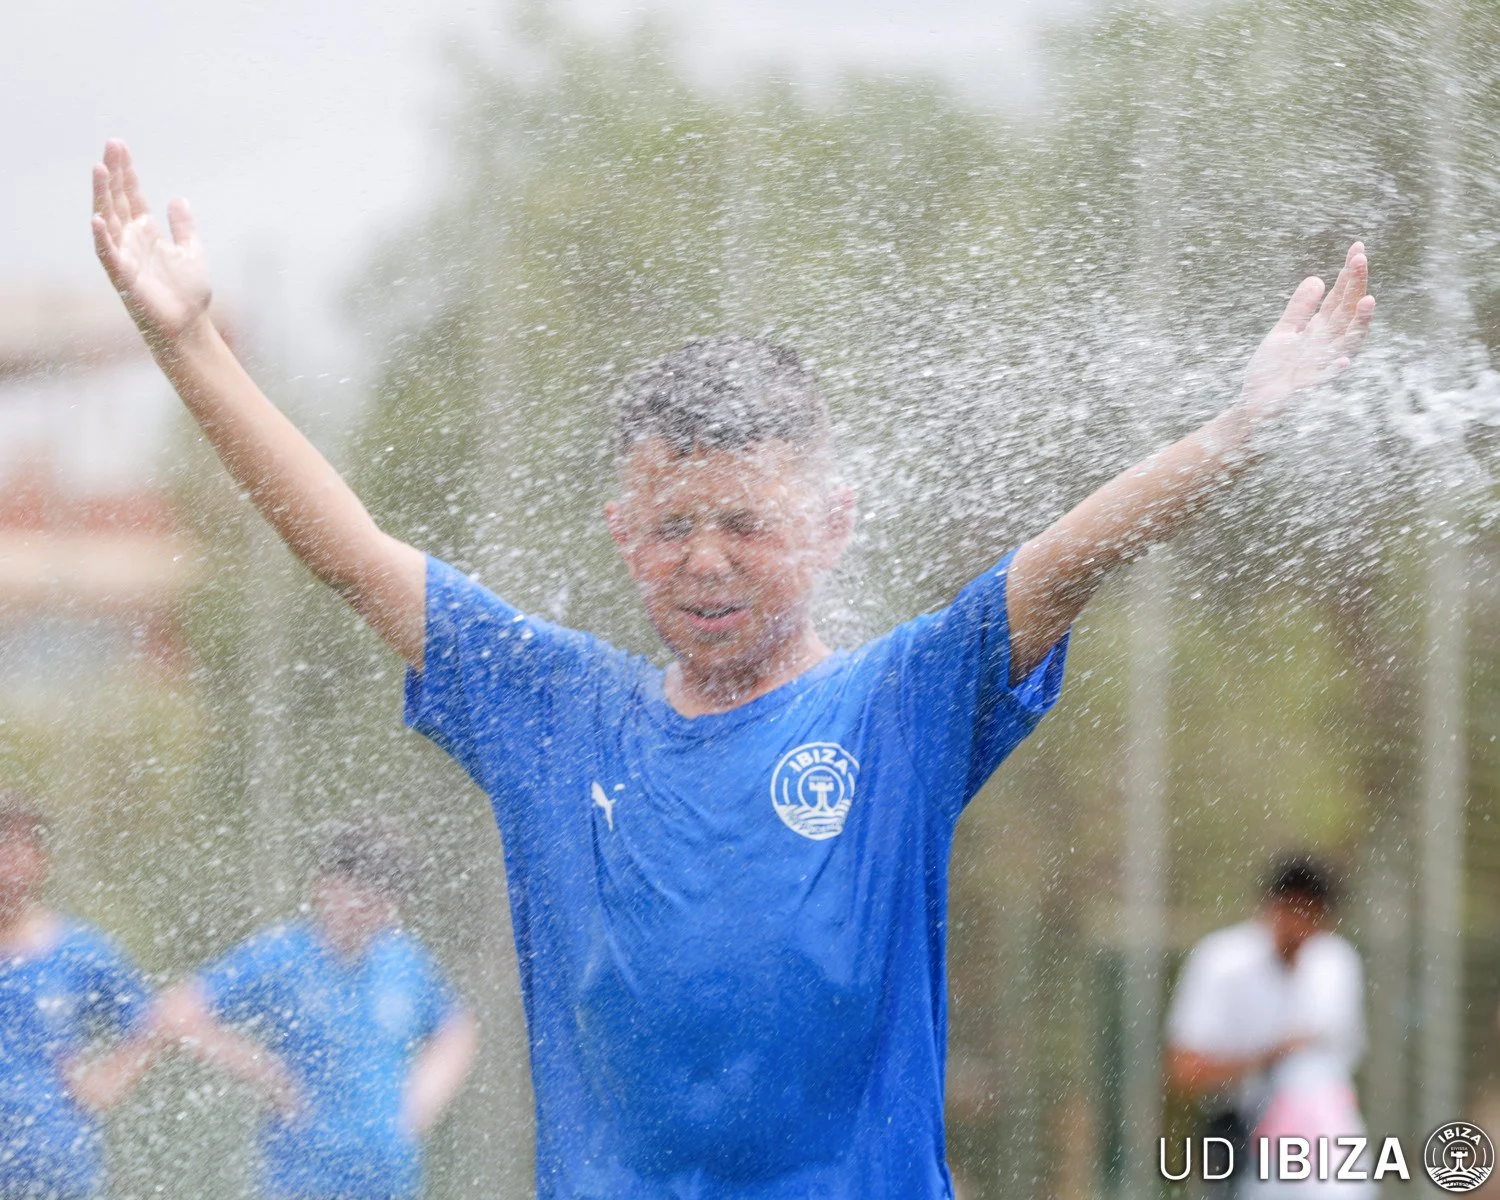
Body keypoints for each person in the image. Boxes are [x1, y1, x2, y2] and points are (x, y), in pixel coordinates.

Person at [91, 139, 1376, 1197]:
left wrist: (1239, 428)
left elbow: (1061, 563)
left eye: (747, 524)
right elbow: (353, 553)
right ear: (621, 532)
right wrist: (190, 346)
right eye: (671, 526)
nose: (705, 560)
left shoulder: (896, 707)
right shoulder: (557, 712)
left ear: (831, 523)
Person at [150, 819, 477, 1200]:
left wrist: (419, 1105)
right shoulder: (282, 955)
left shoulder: (405, 963)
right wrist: (263, 1069)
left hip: (391, 1181)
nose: (365, 905)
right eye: (356, 888)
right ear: (323, 885)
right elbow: (175, 1012)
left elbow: (457, 1031)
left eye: (382, 894)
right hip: (302, 1180)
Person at [1166, 856, 1371, 1198]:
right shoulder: (1221, 963)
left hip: (1320, 1133)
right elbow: (1184, 1072)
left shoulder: (1337, 963)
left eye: (1313, 916)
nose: (1302, 928)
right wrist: (1268, 1059)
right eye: (1295, 913)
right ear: (1272, 908)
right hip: (1237, 1128)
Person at [0, 796, 156, 1200]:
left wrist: (108, 1081)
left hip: (57, 1170)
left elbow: (151, 1022)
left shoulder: (78, 951)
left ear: (43, 862)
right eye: (2, 845)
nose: (9, 862)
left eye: (22, 847)